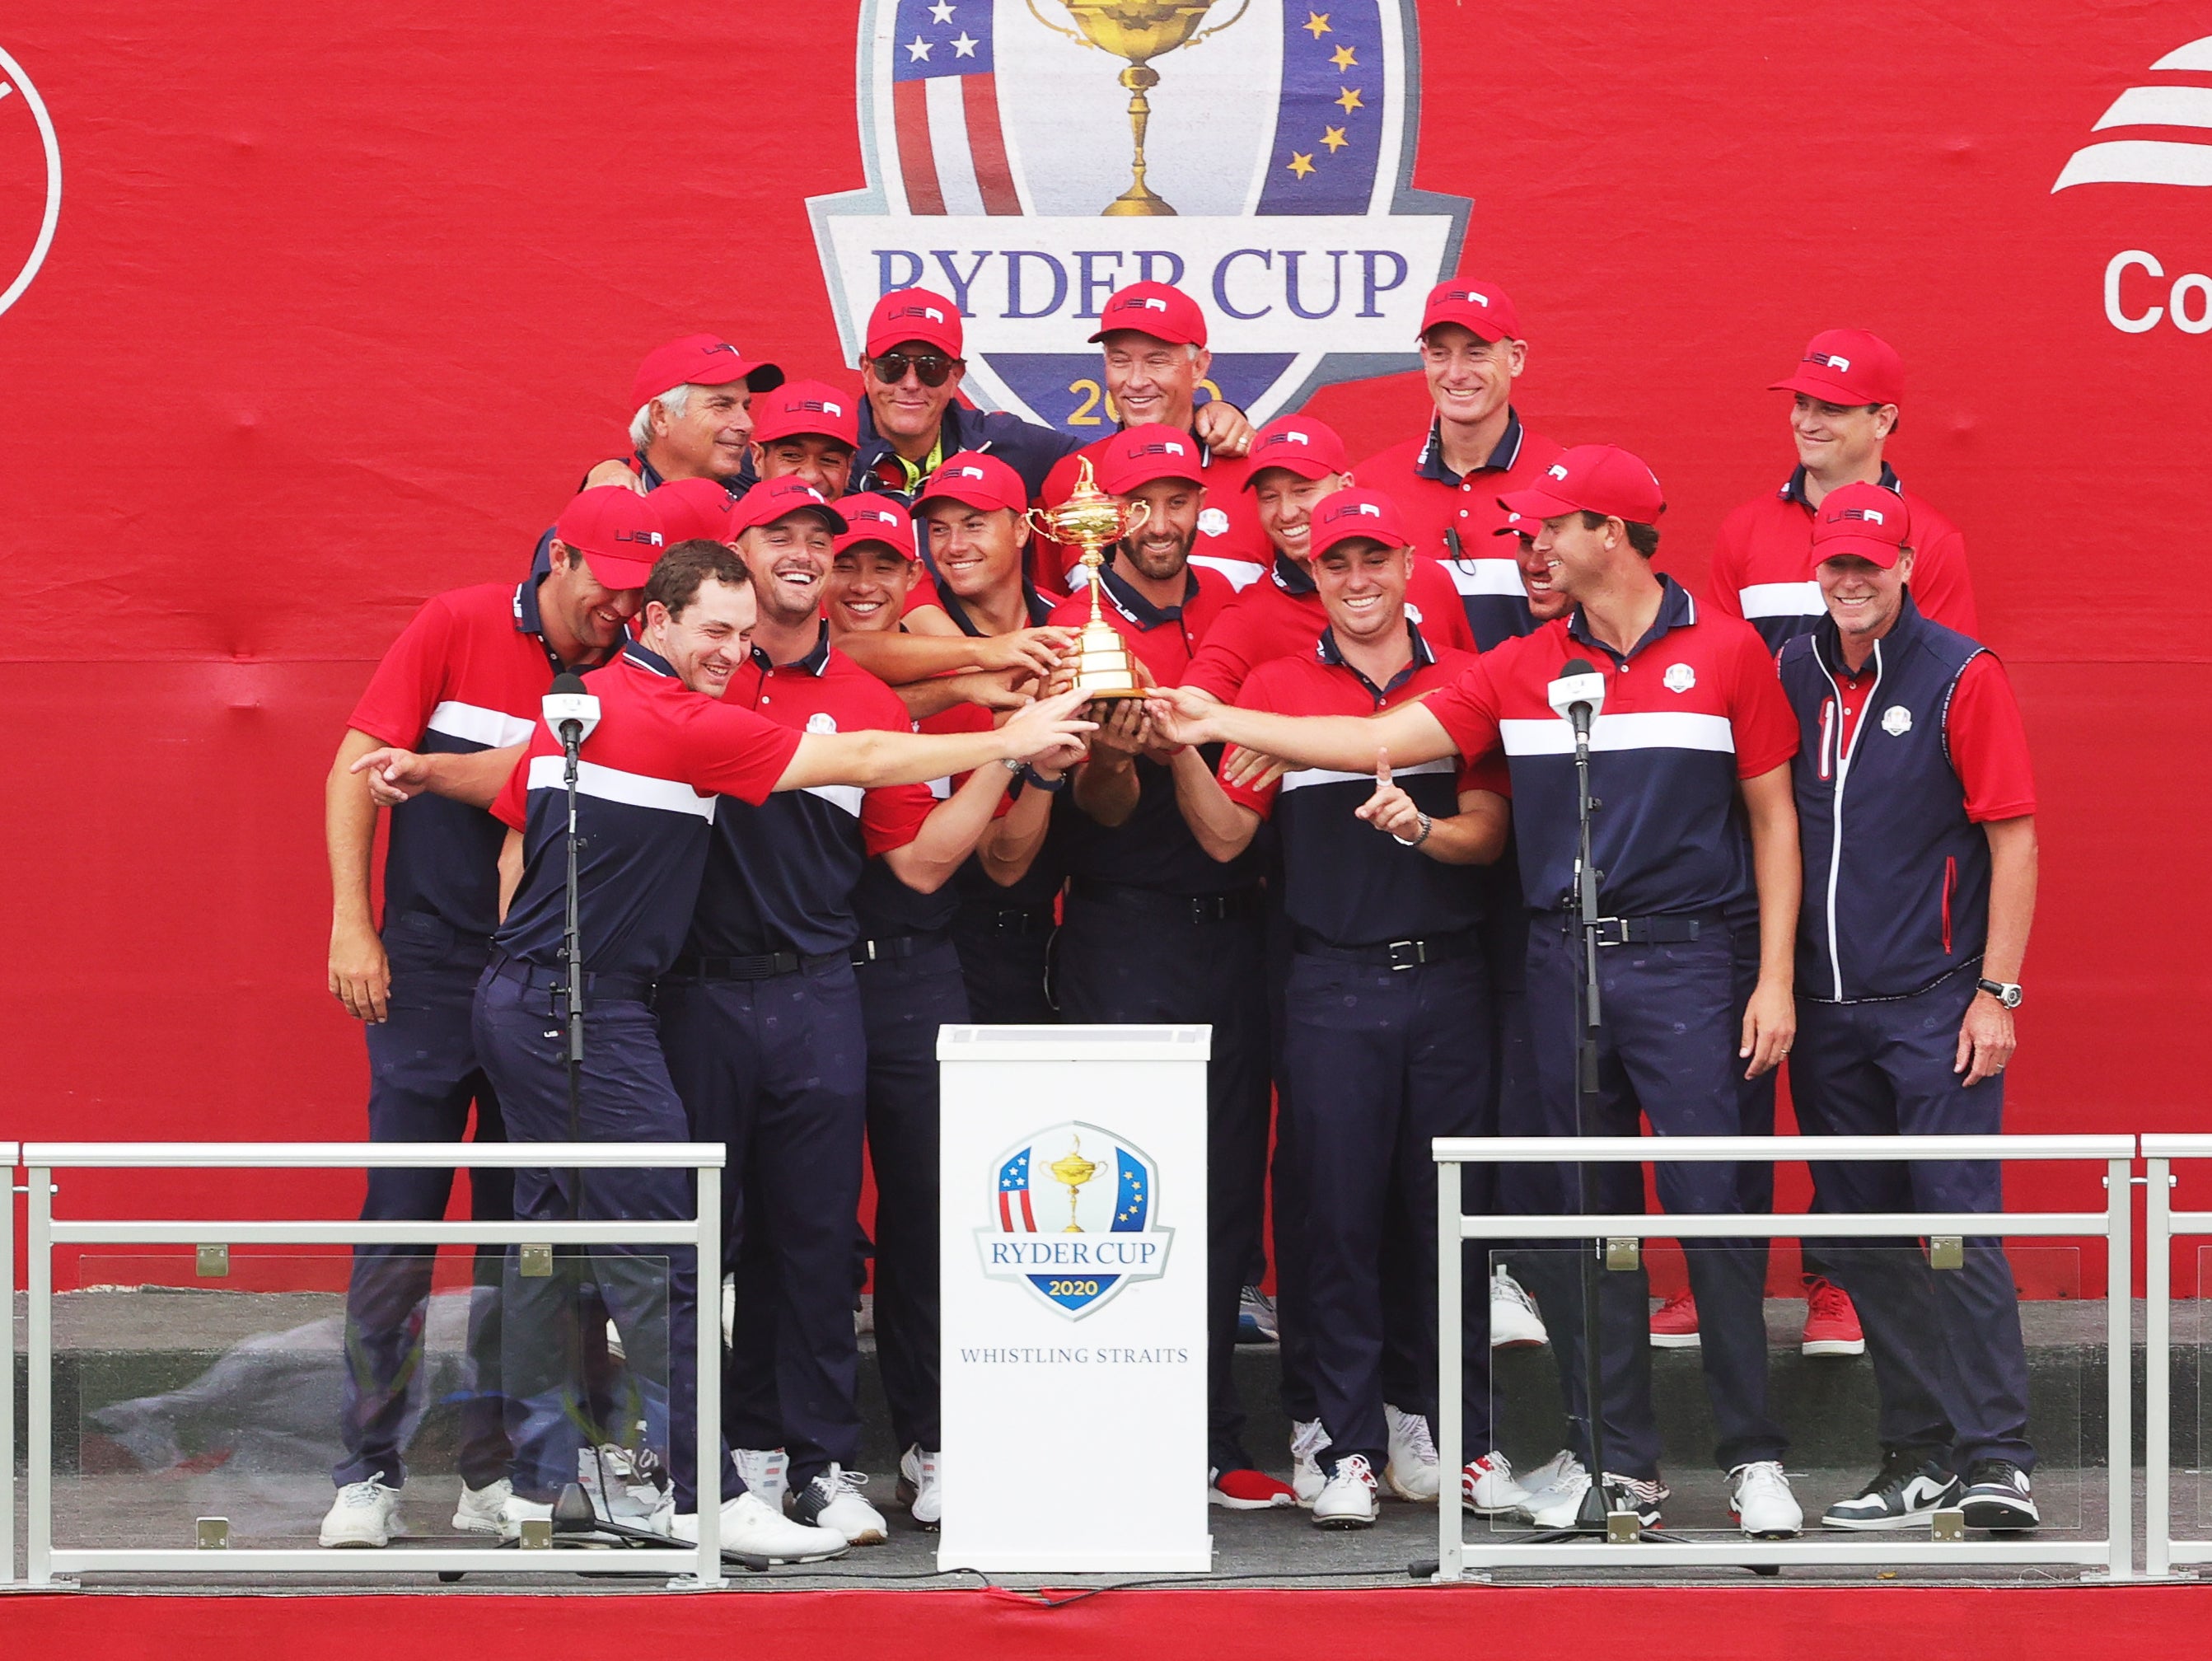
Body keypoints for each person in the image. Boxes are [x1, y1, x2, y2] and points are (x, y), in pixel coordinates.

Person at [1146, 444, 1807, 1538]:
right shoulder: (1518, 668)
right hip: (1559, 965)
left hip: (1692, 966)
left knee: (1713, 1213)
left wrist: (1774, 977)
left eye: (1550, 527)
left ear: (1609, 532)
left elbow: (1773, 818)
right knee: (1578, 1224)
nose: (1530, 546)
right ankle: (1614, 1465)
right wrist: (1213, 723)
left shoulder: (1729, 650)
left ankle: (1754, 1462)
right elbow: (1369, 738)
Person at [475, 534, 1090, 1557]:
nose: (729, 651)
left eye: (741, 634)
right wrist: (1004, 738)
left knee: (554, 1246)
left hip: (548, 1000)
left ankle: (534, 1490)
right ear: (654, 621)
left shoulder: (577, 702)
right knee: (667, 1250)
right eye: (711, 631)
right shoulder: (677, 720)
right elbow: (861, 755)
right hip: (581, 1009)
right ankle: (696, 1497)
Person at [653, 477, 1051, 1546]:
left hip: (819, 988)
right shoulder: (696, 679)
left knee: (820, 1238)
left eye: (815, 540)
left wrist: (1012, 753)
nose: (801, 552)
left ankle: (822, 1463)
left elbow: (921, 867)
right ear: (733, 553)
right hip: (695, 995)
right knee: (711, 1242)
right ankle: (730, 1463)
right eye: (777, 534)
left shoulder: (869, 700)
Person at [1167, 486, 1528, 1529]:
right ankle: (1343, 1442)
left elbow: (1490, 837)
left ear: (1409, 563)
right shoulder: (1276, 685)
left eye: (1375, 560)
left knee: (1440, 1216)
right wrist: (1179, 750)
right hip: (1329, 981)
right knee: (1333, 1217)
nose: (1358, 580)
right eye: (1337, 564)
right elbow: (1228, 838)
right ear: (1312, 575)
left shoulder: (1464, 680)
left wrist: (1419, 826)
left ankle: (1444, 1433)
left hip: (1451, 980)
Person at [316, 482, 659, 1549]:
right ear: (558, 558)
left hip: (548, 977)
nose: (623, 608)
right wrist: (350, 923)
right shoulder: (457, 622)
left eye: (641, 593)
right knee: (402, 1225)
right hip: (423, 962)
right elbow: (355, 768)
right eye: (610, 586)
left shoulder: (623, 662)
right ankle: (367, 1472)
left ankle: (495, 1472)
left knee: (531, 1241)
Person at [1680, 328, 1979, 1357]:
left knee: (1852, 1093)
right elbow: (1718, 677)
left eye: (1834, 407)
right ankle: (1716, 1273)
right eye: (1800, 402)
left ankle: (1836, 1286)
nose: (1809, 420)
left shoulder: (1927, 541)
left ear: (1885, 422)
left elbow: (1937, 693)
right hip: (1758, 836)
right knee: (1736, 1063)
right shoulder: (1743, 533)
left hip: (1867, 862)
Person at [1773, 484, 2041, 1533]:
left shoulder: (1959, 675)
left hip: (1937, 1007)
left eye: (1868, 566)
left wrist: (1996, 993)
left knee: (1958, 1231)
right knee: (1869, 1238)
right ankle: (1920, 1453)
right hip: (1826, 1013)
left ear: (1904, 567)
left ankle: (2000, 1459)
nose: (1849, 582)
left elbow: (2013, 837)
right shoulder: (1791, 668)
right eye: (1834, 565)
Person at [1043, 423, 1290, 1510]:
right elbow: (1090, 811)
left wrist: (1177, 743)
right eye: (1137, 502)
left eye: (1176, 501)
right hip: (1116, 929)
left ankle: (1209, 1433)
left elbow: (1242, 797)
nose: (1157, 522)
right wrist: (1112, 748)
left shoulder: (1235, 622)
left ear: (1198, 507)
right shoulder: (1069, 628)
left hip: (1235, 928)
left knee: (1224, 1191)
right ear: (1107, 517)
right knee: (1117, 1191)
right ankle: (1114, 1430)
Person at [822, 496, 1071, 1532]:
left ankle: (932, 1445)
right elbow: (918, 848)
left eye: (889, 565)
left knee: (929, 1224)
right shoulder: (775, 680)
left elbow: (983, 862)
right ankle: (809, 1456)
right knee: (806, 1231)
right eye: (850, 563)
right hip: (812, 979)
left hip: (921, 973)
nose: (868, 582)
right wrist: (1001, 720)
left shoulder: (958, 693)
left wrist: (1029, 759)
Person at [1181, 414, 1477, 704]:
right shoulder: (1251, 614)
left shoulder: (1427, 579)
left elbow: (1471, 690)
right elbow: (1194, 705)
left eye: (1302, 491)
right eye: (1270, 497)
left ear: (1345, 486)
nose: (1286, 512)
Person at [1352, 280, 1566, 649]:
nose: (1455, 373)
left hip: (1531, 706)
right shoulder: (1370, 487)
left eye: (1476, 353)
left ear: (1515, 358)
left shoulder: (1565, 481)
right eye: (1439, 354)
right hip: (1408, 707)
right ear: (1423, 358)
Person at [1033, 282, 1265, 591]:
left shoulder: (1258, 476)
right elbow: (1053, 608)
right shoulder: (1070, 478)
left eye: (1156, 361)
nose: (1136, 381)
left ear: (1198, 367)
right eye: (1120, 361)